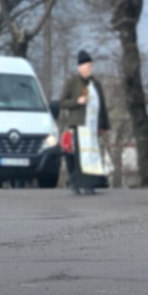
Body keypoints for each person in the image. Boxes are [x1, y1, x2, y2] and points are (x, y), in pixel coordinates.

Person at [57, 50, 110, 195]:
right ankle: (80, 183)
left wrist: (104, 125)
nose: (90, 69)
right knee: (81, 157)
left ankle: (90, 182)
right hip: (79, 124)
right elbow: (62, 102)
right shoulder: (72, 82)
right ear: (80, 67)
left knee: (92, 155)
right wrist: (77, 102)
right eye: (87, 66)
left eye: (91, 66)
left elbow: (102, 105)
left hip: (92, 125)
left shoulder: (95, 84)